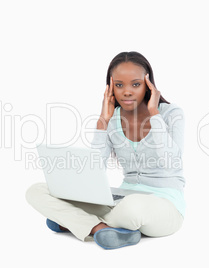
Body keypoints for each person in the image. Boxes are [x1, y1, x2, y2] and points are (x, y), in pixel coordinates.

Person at [26, 51, 185, 250]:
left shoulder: (171, 114)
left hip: (163, 204)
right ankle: (100, 227)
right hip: (121, 198)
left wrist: (154, 113)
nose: (127, 91)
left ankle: (75, 221)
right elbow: (94, 170)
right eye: (119, 85)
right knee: (36, 191)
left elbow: (172, 161)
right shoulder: (112, 118)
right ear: (110, 88)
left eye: (135, 84)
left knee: (131, 209)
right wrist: (103, 121)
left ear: (148, 85)